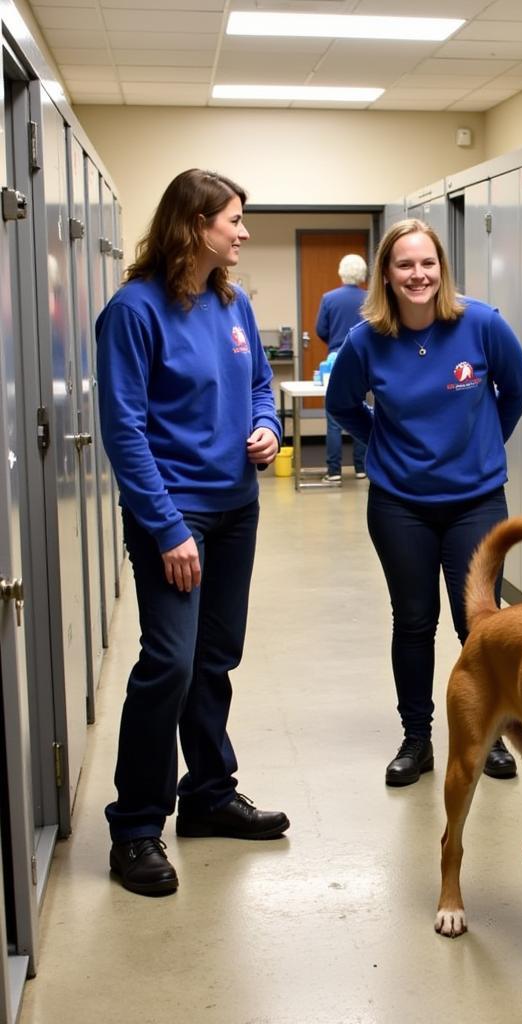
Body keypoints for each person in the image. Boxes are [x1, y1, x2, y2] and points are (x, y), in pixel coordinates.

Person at [96, 169, 289, 897]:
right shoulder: (134, 311)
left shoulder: (229, 303)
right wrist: (168, 525)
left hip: (237, 509)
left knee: (215, 657)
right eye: (233, 219)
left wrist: (267, 428)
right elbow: (124, 429)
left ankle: (208, 795)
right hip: (173, 517)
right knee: (169, 665)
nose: (243, 232)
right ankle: (137, 825)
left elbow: (261, 389)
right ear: (194, 224)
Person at [325, 218, 522, 787]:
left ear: (441, 269)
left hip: (476, 502)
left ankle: (489, 733)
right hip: (400, 504)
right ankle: (417, 739)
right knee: (414, 622)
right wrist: (381, 440)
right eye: (404, 265)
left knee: (480, 625)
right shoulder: (366, 339)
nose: (418, 274)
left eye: (427, 263)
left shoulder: (482, 325)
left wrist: (483, 444)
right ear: (386, 276)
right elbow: (342, 405)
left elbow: (517, 389)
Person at [316, 253, 369, 481]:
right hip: (367, 358)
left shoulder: (329, 298)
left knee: (334, 418)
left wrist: (335, 343)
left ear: (341, 271)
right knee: (363, 411)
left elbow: (320, 329)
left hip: (336, 358)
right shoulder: (370, 298)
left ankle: (334, 470)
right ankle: (361, 467)